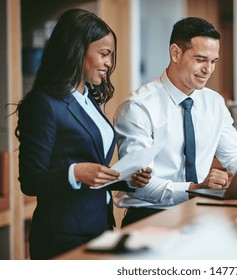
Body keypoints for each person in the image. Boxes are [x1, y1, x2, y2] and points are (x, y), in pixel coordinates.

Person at [14, 9, 151, 259]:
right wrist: (75, 172)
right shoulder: (44, 103)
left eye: (111, 55)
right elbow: (31, 180)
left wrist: (127, 180)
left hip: (100, 228)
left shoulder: (89, 101)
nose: (109, 64)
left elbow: (93, 172)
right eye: (104, 54)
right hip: (62, 235)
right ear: (77, 50)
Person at [114, 17, 237, 227]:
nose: (208, 69)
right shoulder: (138, 107)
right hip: (150, 218)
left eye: (213, 61)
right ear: (175, 53)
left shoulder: (214, 102)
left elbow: (235, 157)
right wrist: (196, 188)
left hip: (203, 213)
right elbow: (140, 185)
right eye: (201, 59)